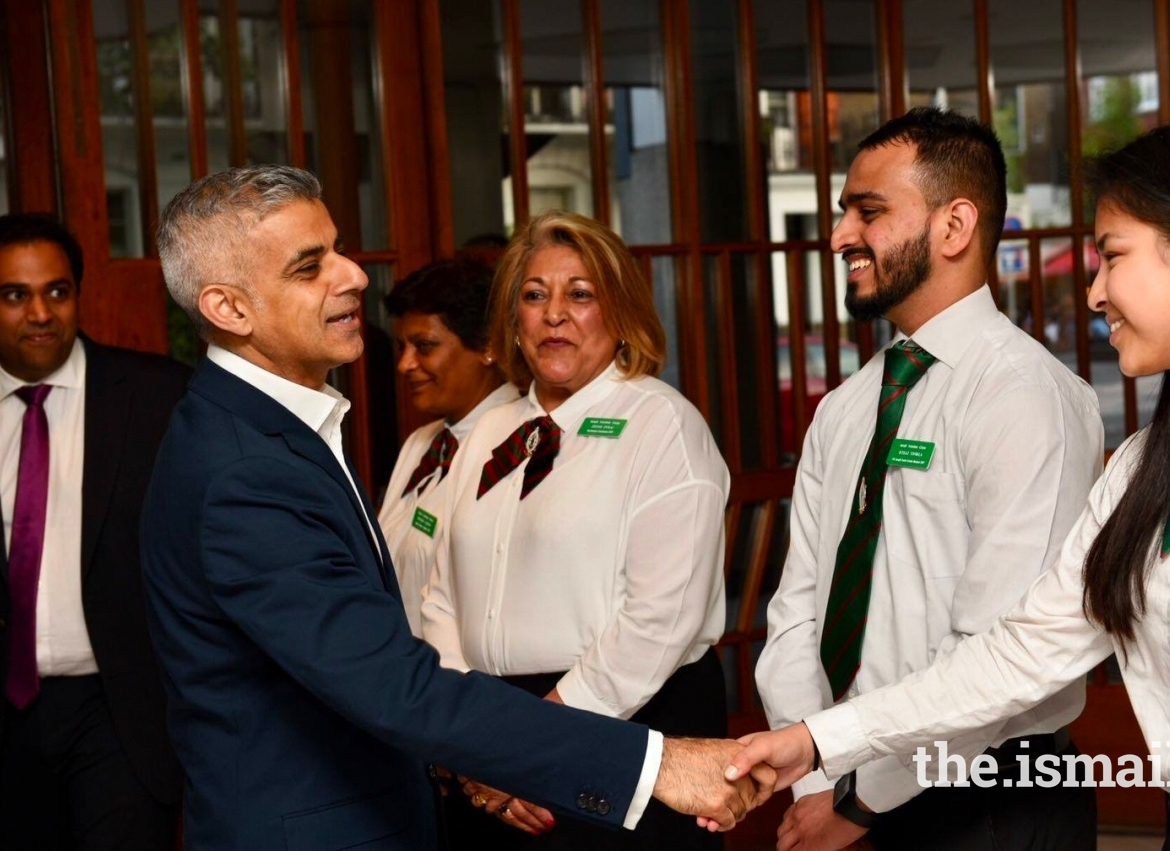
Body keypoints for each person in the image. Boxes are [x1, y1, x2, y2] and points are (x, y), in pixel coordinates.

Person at [140, 165, 771, 851]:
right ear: (229, 308)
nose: (353, 276)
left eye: (340, 249)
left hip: (533, 733)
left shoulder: (276, 433)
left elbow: (658, 616)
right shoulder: (247, 469)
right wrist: (656, 763)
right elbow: (397, 671)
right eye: (309, 266)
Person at [727, 119, 1170, 851]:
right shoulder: (1143, 475)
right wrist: (817, 743)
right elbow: (1013, 655)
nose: (1092, 294)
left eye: (1113, 258)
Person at [753, 108, 1103, 851]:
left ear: (955, 226)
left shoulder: (1027, 397)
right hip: (840, 780)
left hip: (992, 795)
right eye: (845, 212)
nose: (842, 235)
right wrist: (817, 777)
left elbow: (999, 652)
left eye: (868, 212)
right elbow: (795, 613)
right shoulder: (846, 408)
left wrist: (858, 805)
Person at [420, 211, 729, 850]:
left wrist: (534, 749)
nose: (554, 314)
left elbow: (658, 622)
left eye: (580, 294)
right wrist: (465, 738)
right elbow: (441, 597)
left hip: (627, 725)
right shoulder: (487, 430)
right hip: (489, 733)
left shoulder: (662, 426)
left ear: (619, 313)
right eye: (534, 296)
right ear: (513, 319)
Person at [0, 214, 188, 849]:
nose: (40, 313)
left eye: (57, 291)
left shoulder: (158, 398)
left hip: (120, 713)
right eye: (14, 295)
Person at [379, 259, 517, 634]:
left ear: (489, 346)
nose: (406, 364)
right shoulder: (423, 442)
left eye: (424, 346)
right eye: (402, 347)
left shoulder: (518, 446)